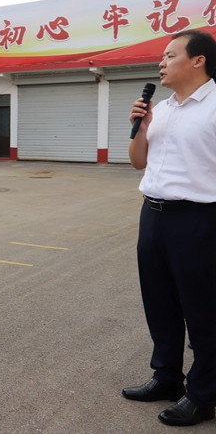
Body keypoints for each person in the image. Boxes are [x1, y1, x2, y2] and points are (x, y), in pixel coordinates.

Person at [123, 29, 216, 427]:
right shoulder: (160, 108)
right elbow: (137, 162)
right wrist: (142, 128)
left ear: (198, 60)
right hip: (153, 214)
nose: (161, 63)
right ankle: (166, 377)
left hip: (198, 218)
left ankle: (203, 394)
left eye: (170, 55)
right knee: (159, 302)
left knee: (203, 309)